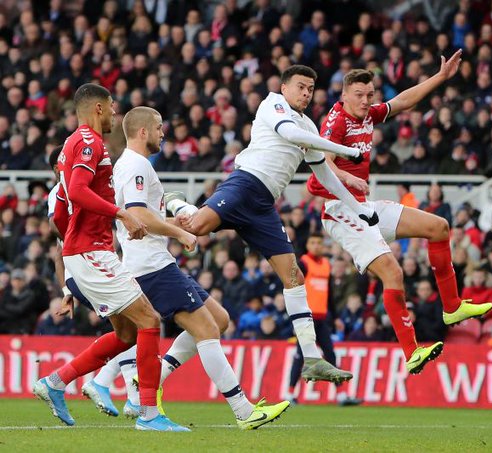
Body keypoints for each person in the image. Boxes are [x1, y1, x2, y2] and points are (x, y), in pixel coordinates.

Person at [166, 65, 374, 384]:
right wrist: (346, 150)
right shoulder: (272, 104)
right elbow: (289, 134)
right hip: (245, 185)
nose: (306, 93)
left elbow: (324, 175)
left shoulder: (308, 125)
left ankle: (312, 358)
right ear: (285, 87)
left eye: (310, 89)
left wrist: (357, 207)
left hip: (264, 205)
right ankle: (174, 202)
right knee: (194, 229)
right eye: (301, 87)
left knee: (294, 275)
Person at [305, 52, 492, 374]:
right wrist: (349, 178)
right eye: (359, 96)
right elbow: (319, 172)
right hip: (339, 211)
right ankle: (412, 351)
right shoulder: (335, 123)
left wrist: (440, 77)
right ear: (344, 95)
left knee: (439, 227)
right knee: (393, 272)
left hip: (362, 205)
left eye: (370, 96)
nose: (366, 102)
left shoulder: (366, 115)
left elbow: (404, 101)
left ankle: (452, 306)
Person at [109, 106, 289, 429]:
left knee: (219, 320)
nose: (164, 133)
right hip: (152, 267)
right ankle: (244, 411)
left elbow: (142, 215)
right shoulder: (136, 165)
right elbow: (138, 215)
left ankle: (146, 382)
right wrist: (179, 232)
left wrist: (171, 221)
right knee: (206, 330)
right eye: (160, 127)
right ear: (143, 132)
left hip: (156, 263)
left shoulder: (132, 164)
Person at [33, 83, 188, 431]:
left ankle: (56, 382)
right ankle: (148, 414)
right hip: (91, 250)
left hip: (86, 249)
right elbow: (76, 191)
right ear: (98, 108)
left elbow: (60, 209)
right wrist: (121, 214)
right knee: (149, 321)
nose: (116, 113)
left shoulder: (72, 145)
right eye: (112, 106)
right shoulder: (89, 142)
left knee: (127, 334)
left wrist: (74, 237)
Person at [287, 233, 361, 406]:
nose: (316, 246)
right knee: (301, 356)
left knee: (330, 355)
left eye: (319, 243)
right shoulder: (303, 264)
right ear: (307, 245)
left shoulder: (327, 265)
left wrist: (334, 317)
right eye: (313, 242)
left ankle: (341, 395)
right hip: (306, 319)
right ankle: (290, 394)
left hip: (322, 319)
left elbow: (329, 295)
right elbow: (293, 289)